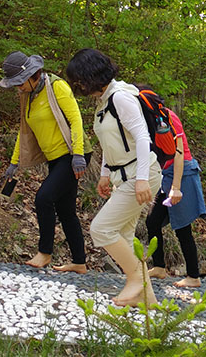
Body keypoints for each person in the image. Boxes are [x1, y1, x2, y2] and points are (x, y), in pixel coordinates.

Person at [65, 49, 163, 307]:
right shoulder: (105, 101)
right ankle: (147, 298)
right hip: (124, 175)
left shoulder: (120, 97)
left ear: (90, 75)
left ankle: (136, 280)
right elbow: (113, 142)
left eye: (79, 79)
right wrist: (105, 174)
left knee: (102, 229)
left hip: (140, 174)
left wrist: (142, 179)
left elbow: (142, 137)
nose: (78, 86)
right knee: (123, 233)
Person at [0, 51, 92, 274]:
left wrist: (78, 155)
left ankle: (45, 252)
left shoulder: (57, 87)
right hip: (55, 158)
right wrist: (14, 163)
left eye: (20, 83)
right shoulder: (27, 96)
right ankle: (80, 262)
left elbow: (75, 119)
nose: (18, 88)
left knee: (44, 198)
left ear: (33, 75)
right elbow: (24, 131)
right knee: (66, 209)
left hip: (72, 154)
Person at [141, 88, 206, 288]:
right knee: (152, 221)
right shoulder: (148, 122)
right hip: (167, 175)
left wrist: (176, 188)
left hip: (182, 174)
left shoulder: (168, 117)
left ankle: (193, 276)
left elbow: (179, 153)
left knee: (182, 227)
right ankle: (159, 267)